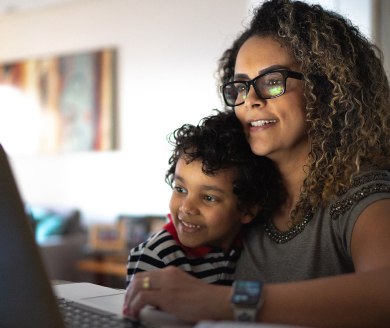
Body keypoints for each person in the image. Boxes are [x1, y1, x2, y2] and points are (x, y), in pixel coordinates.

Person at [123, 1, 390, 326]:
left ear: (327, 89)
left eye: (272, 80)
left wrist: (225, 302)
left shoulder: (362, 196)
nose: (250, 99)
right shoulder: (244, 196)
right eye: (240, 86)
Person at [125, 110, 280, 288]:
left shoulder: (250, 246)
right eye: (180, 189)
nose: (187, 207)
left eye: (208, 197)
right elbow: (141, 313)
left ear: (248, 209)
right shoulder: (158, 255)